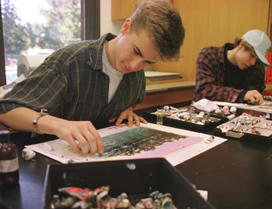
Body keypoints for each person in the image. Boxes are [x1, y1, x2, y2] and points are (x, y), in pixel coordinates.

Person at [0, 0, 185, 155]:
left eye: (147, 62)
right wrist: (57, 125)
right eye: (136, 51)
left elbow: (128, 100)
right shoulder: (70, 62)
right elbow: (6, 109)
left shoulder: (136, 76)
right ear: (126, 27)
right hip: (48, 163)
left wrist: (127, 108)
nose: (135, 66)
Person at [192, 29, 271, 105]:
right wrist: (242, 95)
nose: (253, 63)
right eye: (252, 55)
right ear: (241, 44)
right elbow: (203, 91)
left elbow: (257, 95)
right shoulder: (209, 55)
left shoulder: (257, 67)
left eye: (257, 60)